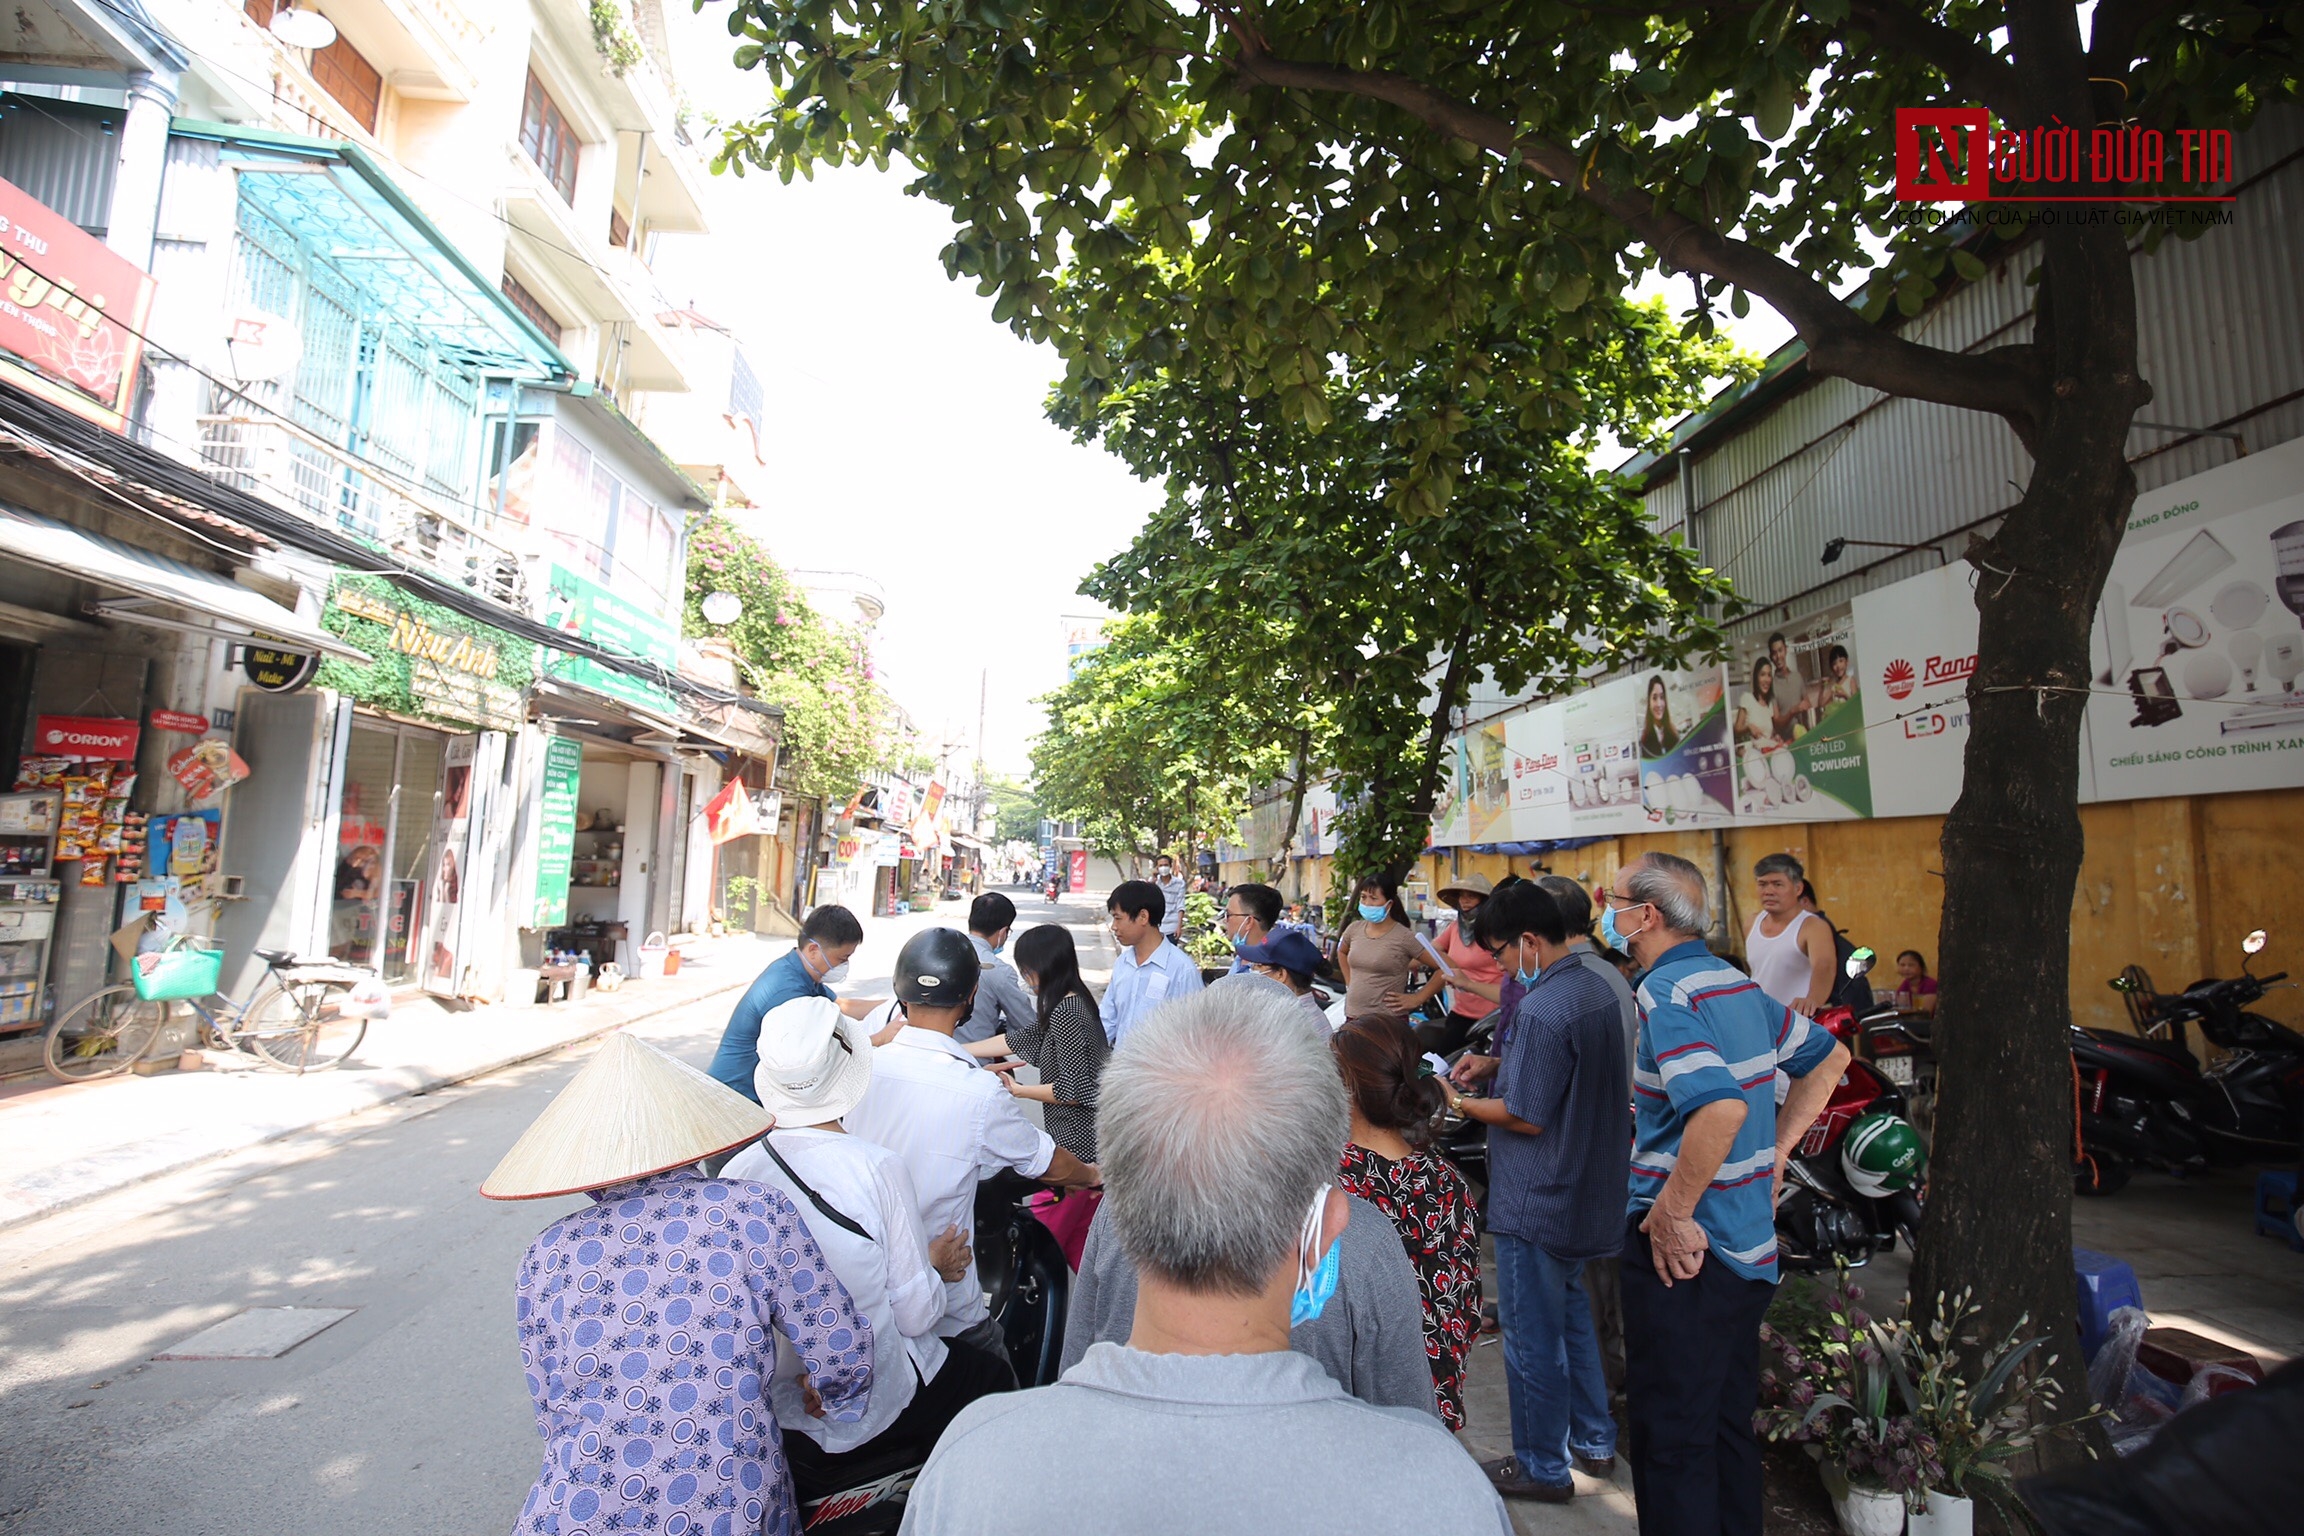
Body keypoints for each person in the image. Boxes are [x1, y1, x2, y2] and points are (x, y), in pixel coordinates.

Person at [913, 987, 1510, 1535]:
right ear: (1328, 1227)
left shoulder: (974, 1466)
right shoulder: (1441, 1496)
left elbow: (1076, 1361)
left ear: (1114, 1206)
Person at [485, 1033, 873, 1536]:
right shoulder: (750, 1210)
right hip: (730, 1504)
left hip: (572, 1511)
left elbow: (553, 1407)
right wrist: (839, 1394)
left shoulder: (545, 1253)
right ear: (687, 1132)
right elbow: (838, 1344)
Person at [1606, 852, 1850, 1536]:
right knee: (1723, 1425)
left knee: (1672, 1438)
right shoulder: (1731, 981)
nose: (1610, 908)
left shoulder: (1667, 994)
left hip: (1687, 1256)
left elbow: (1718, 1109)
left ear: (1646, 916)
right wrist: (1776, 1154)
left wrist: (1674, 1212)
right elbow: (1829, 1058)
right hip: (1746, 1247)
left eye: (1616, 898)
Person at [725, 998, 1012, 1503]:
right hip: (871, 1401)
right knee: (993, 1376)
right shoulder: (875, 1167)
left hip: (779, 1399)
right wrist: (937, 1266)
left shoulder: (739, 1172)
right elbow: (917, 1315)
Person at [1441, 881, 1630, 1503]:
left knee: (1528, 1337)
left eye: (1499, 952)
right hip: (1585, 1190)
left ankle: (1541, 1466)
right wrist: (1495, 1064)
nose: (1497, 967)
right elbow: (1558, 1076)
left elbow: (1524, 1115)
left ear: (1529, 939)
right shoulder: (1594, 987)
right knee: (1572, 1317)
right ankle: (1594, 1439)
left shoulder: (1547, 1007)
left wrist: (1459, 1100)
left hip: (1539, 1193)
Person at [845, 928, 1099, 1375]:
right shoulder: (979, 1092)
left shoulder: (857, 1071)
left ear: (900, 993)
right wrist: (1092, 1175)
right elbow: (1047, 1162)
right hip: (946, 1303)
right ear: (972, 995)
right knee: (1001, 1381)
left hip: (860, 1290)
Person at [1331, 1014, 1481, 1429]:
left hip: (1351, 1413)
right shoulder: (1450, 1183)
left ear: (1346, 1089)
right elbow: (1464, 1305)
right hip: (1433, 1407)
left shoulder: (1329, 1187)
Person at [1535, 872, 1639, 1398]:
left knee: (1591, 1288)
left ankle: (1599, 1388)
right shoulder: (1596, 975)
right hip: (1598, 1145)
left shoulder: (1583, 982)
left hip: (1588, 1152)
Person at [709, 904, 883, 1102]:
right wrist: (877, 1039)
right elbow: (822, 1048)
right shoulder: (786, 989)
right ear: (813, 950)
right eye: (841, 958)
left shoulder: (803, 973)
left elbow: (843, 1006)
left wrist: (895, 1003)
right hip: (734, 1095)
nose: (843, 966)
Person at [967, 923, 1108, 1162]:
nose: (1025, 977)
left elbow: (1073, 1090)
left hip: (1078, 1139)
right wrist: (954, 1049)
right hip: (1075, 1134)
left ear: (1043, 966)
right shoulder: (1071, 1001)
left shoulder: (1067, 1012)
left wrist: (1018, 1090)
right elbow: (1018, 1039)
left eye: (1026, 970)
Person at [1389, 871, 1502, 1055]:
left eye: (1471, 896)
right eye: (1462, 896)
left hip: (1492, 1016)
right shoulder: (1455, 928)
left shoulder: (1496, 931)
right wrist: (1395, 963)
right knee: (1439, 1062)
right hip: (1461, 1012)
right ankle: (1424, 1081)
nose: (1464, 901)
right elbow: (1428, 952)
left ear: (1484, 900)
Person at [1102, 879, 1206, 1046]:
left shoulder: (1181, 970)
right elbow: (1107, 1020)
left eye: (1118, 918)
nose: (1114, 927)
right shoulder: (1123, 963)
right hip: (1121, 1068)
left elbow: (1196, 1034)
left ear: (1143, 917)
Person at [1745, 853, 1835, 1016]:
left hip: (1796, 1022)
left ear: (1798, 888)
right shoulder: (1751, 922)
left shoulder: (1813, 926)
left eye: (1778, 884)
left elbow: (1824, 967)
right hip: (1759, 1018)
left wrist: (1812, 1001)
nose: (1768, 891)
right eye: (1762, 884)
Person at [1336, 871, 1421, 1020]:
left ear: (1389, 903)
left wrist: (1418, 998)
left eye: (1374, 898)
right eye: (1363, 897)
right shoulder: (1354, 929)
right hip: (1353, 1017)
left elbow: (1443, 968)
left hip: (1387, 1021)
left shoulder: (1404, 936)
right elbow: (1341, 951)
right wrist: (1349, 983)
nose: (1367, 903)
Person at [956, 892, 1036, 1045]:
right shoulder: (998, 971)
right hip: (976, 1062)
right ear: (1003, 932)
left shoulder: (942, 953)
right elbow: (1027, 1025)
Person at [1237, 929, 1335, 1031]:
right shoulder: (1308, 1014)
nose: (1253, 969)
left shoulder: (1286, 1022)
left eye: (1259, 965)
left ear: (1281, 974)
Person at [1220, 881, 1281, 973]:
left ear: (1248, 921)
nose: (1225, 920)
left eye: (1228, 914)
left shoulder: (1268, 971)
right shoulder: (1240, 959)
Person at [1766, 632, 1808, 738]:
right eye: (1774, 653)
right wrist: (1792, 711)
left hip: (1805, 734)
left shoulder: (1797, 677)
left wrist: (1804, 706)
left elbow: (1808, 704)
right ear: (1771, 657)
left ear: (1786, 650)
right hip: (1787, 743)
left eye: (1780, 650)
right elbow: (1777, 722)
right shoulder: (1771, 685)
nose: (1778, 656)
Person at [1733, 656, 1777, 747]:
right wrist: (1748, 727)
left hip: (1767, 752)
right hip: (1753, 754)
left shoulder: (1769, 704)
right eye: (1762, 674)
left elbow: (1767, 735)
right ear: (1756, 677)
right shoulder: (1747, 698)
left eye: (1769, 675)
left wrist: (1775, 737)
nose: (1767, 679)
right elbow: (1737, 729)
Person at [1638, 674, 1681, 758]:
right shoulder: (1644, 741)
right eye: (1654, 698)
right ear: (1649, 702)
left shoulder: (1675, 736)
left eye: (1662, 697)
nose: (1659, 704)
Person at [1151, 853, 1187, 940]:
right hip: (1157, 928)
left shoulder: (1179, 883)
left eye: (1166, 865)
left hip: (1172, 928)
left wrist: (1179, 926)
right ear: (1157, 867)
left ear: (1170, 866)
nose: (1163, 868)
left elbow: (1180, 905)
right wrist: (1153, 879)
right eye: (1161, 865)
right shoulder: (1154, 883)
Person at [1894, 949, 1939, 1014]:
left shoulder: (1931, 984)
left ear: (1921, 967)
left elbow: (1926, 1012)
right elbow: (1901, 1008)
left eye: (1911, 965)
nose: (1906, 969)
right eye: (1902, 965)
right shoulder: (1904, 985)